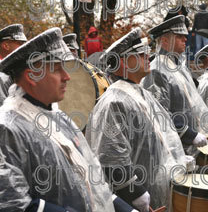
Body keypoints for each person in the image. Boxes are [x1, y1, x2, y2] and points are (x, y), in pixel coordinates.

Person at [0, 28, 135, 212]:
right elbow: (13, 204)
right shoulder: (7, 127)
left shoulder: (58, 116)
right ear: (32, 75)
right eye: (57, 69)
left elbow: (89, 176)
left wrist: (125, 208)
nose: (67, 76)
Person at [86, 27, 189, 211]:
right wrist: (135, 193)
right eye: (141, 55)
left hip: (155, 188)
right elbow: (111, 160)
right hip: (134, 199)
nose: (147, 58)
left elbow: (163, 135)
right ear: (124, 63)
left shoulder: (140, 92)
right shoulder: (115, 100)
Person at [142, 15, 208, 153]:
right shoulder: (157, 69)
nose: (185, 39)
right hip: (174, 147)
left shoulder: (179, 67)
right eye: (180, 36)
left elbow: (188, 105)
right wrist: (188, 134)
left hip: (190, 145)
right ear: (165, 40)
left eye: (185, 36)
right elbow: (159, 113)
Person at [0, 24, 27, 106]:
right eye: (20, 43)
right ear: (6, 46)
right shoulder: (2, 74)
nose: (24, 47)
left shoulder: (13, 67)